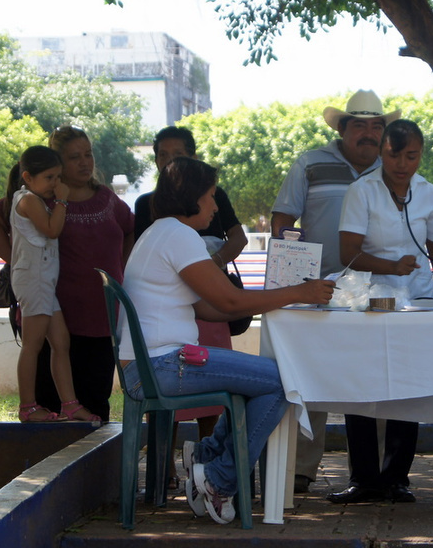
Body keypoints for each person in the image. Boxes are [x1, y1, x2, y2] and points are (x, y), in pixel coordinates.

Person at [120, 156, 335, 524]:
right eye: (210, 196)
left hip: (152, 364)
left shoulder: (159, 232)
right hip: (165, 365)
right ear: (191, 197)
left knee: (267, 377)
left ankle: (206, 455)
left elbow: (208, 308)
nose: (216, 205)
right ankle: (218, 479)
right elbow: (229, 301)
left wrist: (271, 300)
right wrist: (299, 291)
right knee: (286, 381)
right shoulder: (179, 235)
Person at [270, 90, 399, 494]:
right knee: (307, 378)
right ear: (341, 129)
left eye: (377, 126)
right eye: (359, 125)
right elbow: (283, 221)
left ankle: (376, 475)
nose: (369, 134)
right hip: (316, 290)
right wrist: (295, 279)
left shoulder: (392, 169)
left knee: (379, 378)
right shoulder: (310, 164)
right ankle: (299, 471)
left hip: (377, 290)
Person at [328, 119, 433, 504]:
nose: (402, 163)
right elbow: (347, 253)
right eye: (393, 154)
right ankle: (364, 479)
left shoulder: (428, 193)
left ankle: (397, 478)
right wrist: (390, 267)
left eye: (411, 155)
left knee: (408, 384)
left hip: (416, 300)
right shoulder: (360, 191)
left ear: (420, 155)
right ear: (382, 151)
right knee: (361, 381)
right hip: (371, 301)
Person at [0, 126, 134, 422]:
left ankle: (86, 443)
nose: (84, 162)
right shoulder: (41, 197)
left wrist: (119, 271)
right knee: (48, 397)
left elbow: (130, 229)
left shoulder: (106, 198)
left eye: (87, 154)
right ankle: (32, 416)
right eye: (74, 157)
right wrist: (18, 261)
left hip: (101, 316)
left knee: (96, 402)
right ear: (58, 163)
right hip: (50, 301)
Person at [134, 126, 248, 490]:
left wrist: (211, 264)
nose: (170, 162)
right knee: (256, 381)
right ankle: (168, 470)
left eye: (178, 155)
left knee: (212, 400)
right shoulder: (151, 211)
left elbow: (238, 238)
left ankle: (207, 460)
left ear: (194, 157)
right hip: (172, 325)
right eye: (163, 156)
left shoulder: (209, 200)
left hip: (205, 302)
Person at [7, 146, 100, 423]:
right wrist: (62, 202)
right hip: (34, 281)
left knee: (61, 342)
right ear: (28, 177)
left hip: (45, 282)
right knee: (33, 345)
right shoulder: (27, 200)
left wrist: (57, 200)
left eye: (58, 178)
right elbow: (52, 229)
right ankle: (28, 407)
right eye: (49, 178)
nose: (55, 185)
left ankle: (69, 404)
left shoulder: (40, 199)